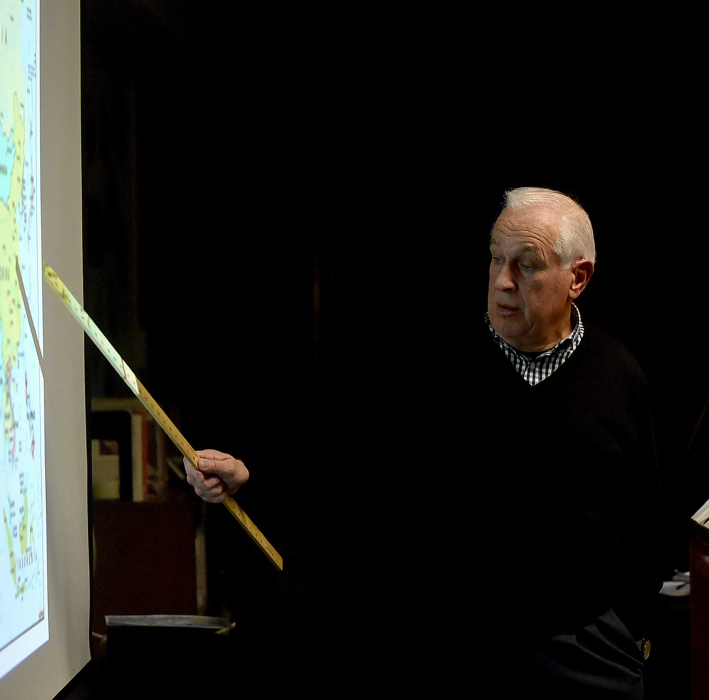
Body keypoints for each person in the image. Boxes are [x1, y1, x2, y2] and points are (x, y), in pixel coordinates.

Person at [184, 187, 666, 697]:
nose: (503, 281)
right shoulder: (436, 364)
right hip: (458, 653)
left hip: (584, 655)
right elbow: (347, 453)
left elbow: (646, 518)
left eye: (526, 265)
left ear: (578, 277)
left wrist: (629, 634)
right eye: (496, 259)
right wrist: (251, 471)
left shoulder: (619, 375)